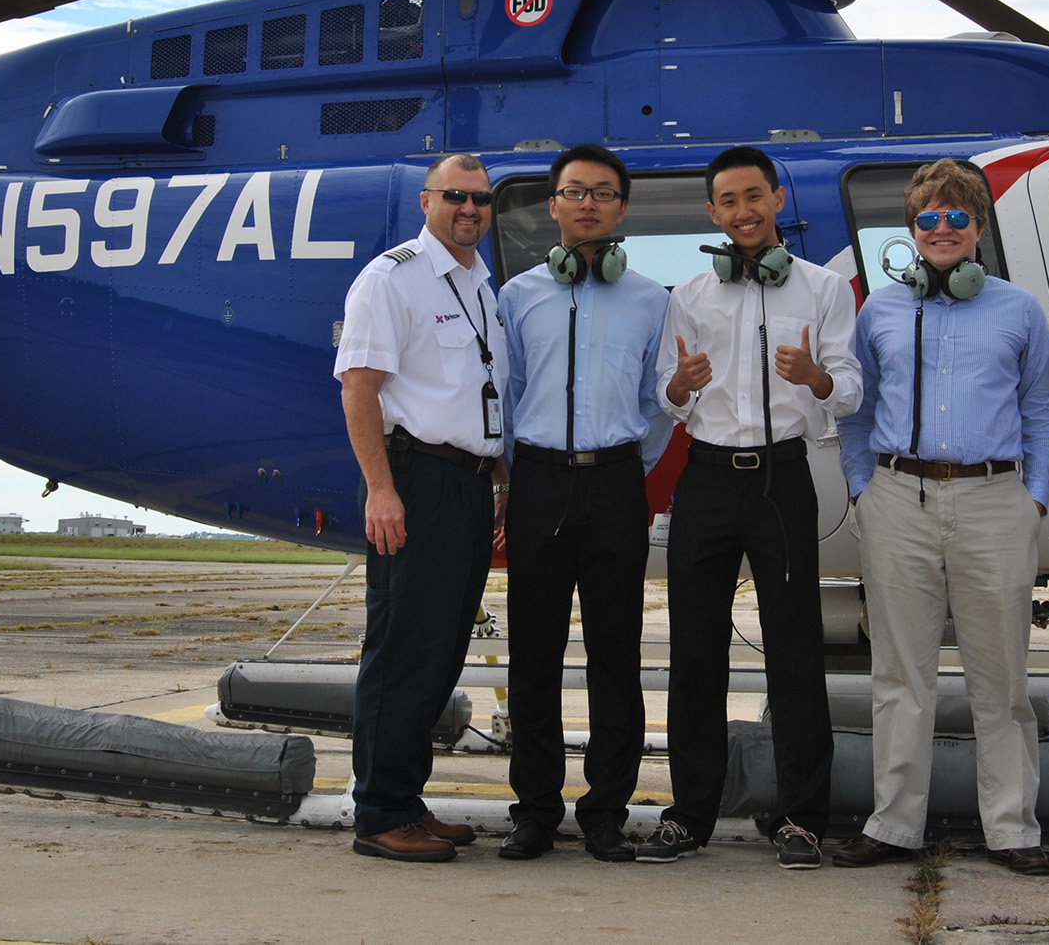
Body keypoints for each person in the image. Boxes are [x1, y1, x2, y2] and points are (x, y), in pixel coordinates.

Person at [832, 159, 1049, 874]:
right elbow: (857, 408)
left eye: (956, 217)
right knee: (901, 673)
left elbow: (1045, 412)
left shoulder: (1019, 309)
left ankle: (1012, 826)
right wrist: (863, 490)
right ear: (911, 228)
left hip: (995, 499)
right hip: (898, 497)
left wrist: (1033, 499)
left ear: (978, 229)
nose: (942, 229)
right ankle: (894, 823)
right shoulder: (881, 309)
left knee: (1003, 676)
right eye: (928, 218)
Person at [637, 145, 862, 870]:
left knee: (795, 650)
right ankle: (690, 813)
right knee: (694, 651)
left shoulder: (824, 289)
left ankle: (801, 816)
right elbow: (667, 400)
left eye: (754, 195)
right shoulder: (691, 293)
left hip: (782, 477)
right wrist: (681, 388)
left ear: (775, 199)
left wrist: (817, 377)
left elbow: (852, 390)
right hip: (705, 479)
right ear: (713, 212)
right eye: (728, 200)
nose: (743, 210)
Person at [496, 145, 673, 863]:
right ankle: (534, 810)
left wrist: (622, 466)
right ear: (555, 205)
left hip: (613, 484)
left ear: (622, 208)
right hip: (537, 481)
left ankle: (605, 811)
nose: (590, 203)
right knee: (532, 655)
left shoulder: (653, 299)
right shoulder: (518, 296)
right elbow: (506, 397)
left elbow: (656, 407)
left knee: (615, 655)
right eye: (575, 191)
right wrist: (517, 478)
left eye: (603, 192)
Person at [333, 154, 509, 862]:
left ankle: (406, 798)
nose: (470, 209)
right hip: (416, 481)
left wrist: (496, 473)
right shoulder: (391, 276)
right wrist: (381, 489)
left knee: (439, 652)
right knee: (402, 649)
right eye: (456, 196)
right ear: (426, 199)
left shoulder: (480, 282)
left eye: (481, 199)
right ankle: (379, 812)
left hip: (466, 484)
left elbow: (475, 391)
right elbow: (358, 388)